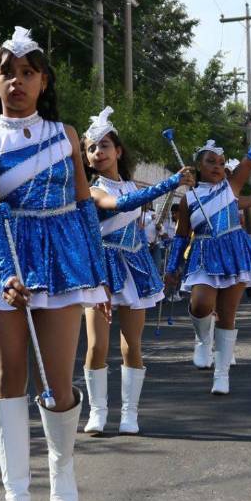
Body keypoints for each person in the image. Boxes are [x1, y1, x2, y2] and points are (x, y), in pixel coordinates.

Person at [0, 27, 108, 501]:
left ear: (43, 81)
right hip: (6, 256)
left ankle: (62, 469)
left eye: (28, 73)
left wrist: (100, 278)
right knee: (7, 379)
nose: (17, 82)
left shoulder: (67, 136)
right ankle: (17, 497)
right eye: (8, 73)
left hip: (64, 257)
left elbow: (85, 205)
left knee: (58, 379)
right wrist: (6, 272)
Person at [80, 106, 195, 436]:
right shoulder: (92, 191)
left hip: (135, 267)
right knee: (96, 346)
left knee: (132, 345)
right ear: (86, 158)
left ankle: (129, 413)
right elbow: (120, 206)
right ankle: (98, 412)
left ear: (118, 150)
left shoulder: (134, 187)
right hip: (101, 269)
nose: (98, 152)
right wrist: (171, 181)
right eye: (91, 148)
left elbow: (137, 199)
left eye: (104, 145)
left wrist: (175, 184)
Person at [165, 103, 251, 394]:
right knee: (201, 304)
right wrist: (172, 268)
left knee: (228, 315)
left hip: (234, 251)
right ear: (198, 167)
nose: (217, 166)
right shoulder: (189, 198)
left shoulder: (231, 187)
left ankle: (222, 373)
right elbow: (181, 236)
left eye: (220, 162)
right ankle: (203, 339)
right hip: (203, 254)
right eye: (210, 162)